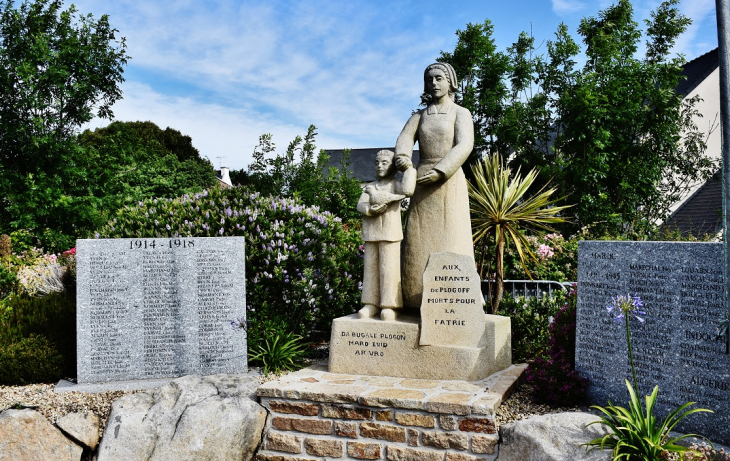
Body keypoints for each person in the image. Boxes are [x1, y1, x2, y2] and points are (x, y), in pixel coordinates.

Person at [394, 62, 476, 310]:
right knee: (417, 242)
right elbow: (402, 145)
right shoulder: (418, 117)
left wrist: (441, 171)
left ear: (451, 82)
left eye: (439, 78)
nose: (434, 83)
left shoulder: (461, 113)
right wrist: (407, 165)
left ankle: (457, 298)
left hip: (449, 182)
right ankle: (413, 297)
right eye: (430, 80)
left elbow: (464, 145)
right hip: (421, 183)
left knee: (453, 237)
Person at [357, 150, 416, 321]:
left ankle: (390, 305)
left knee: (388, 269)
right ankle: (371, 303)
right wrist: (369, 210)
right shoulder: (372, 185)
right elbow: (360, 204)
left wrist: (409, 169)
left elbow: (408, 190)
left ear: (392, 166)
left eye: (384, 162)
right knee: (371, 269)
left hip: (390, 233)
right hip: (371, 232)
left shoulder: (396, 184)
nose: (379, 166)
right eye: (377, 162)